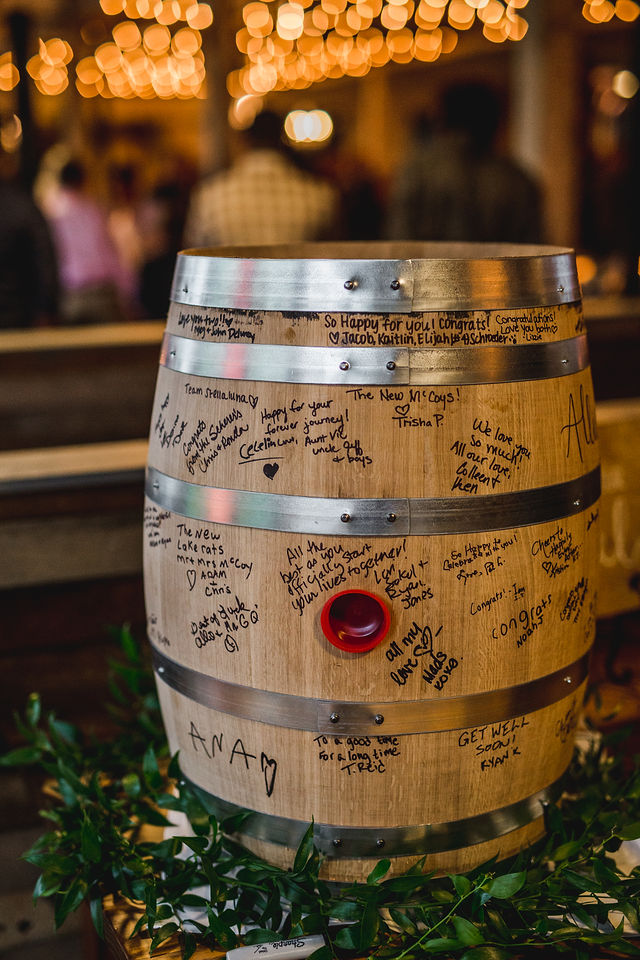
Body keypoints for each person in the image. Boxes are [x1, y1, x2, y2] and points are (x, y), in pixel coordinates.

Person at [386, 83, 543, 244]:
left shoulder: (417, 171)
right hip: (498, 269)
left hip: (423, 269)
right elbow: (533, 248)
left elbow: (399, 242)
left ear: (443, 118)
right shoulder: (518, 180)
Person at [183, 110, 338, 247]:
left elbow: (195, 252)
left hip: (233, 280)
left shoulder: (210, 194)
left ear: (245, 140)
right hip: (299, 280)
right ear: (283, 140)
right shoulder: (320, 193)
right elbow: (332, 252)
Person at [44, 159, 136, 324]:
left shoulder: (50, 212)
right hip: (100, 292)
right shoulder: (94, 210)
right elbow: (111, 253)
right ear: (83, 180)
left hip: (69, 294)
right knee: (110, 348)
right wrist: (127, 292)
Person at [0, 157, 59, 328]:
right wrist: (46, 311)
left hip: (18, 318)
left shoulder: (21, 206)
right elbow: (46, 262)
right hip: (19, 321)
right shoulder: (22, 205)